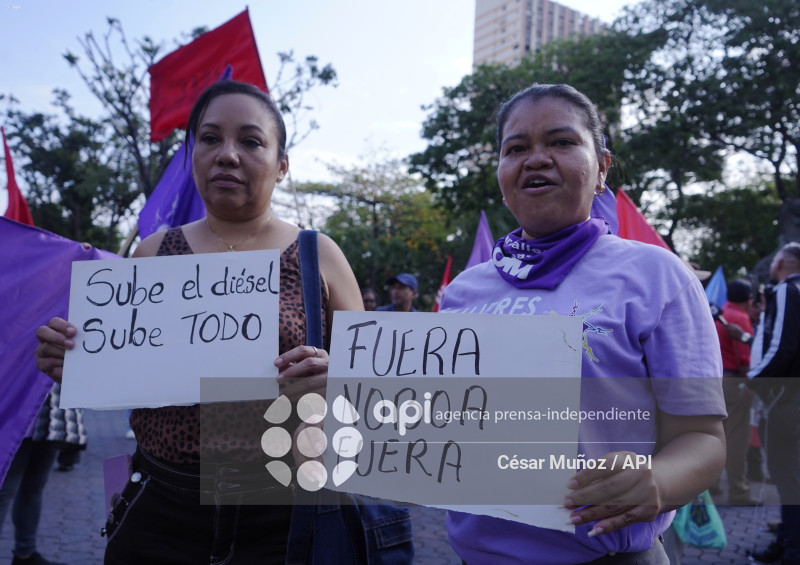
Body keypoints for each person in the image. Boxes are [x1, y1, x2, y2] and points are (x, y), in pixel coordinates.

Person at [34, 81, 411, 564]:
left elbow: (372, 386)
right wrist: (76, 359)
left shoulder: (320, 256)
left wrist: (334, 377)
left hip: (287, 513)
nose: (227, 154)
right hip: (162, 508)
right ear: (193, 153)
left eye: (251, 141)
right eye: (210, 138)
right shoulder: (153, 253)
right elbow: (131, 371)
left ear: (282, 164)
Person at [438, 84, 726, 564]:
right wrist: (352, 387)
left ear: (602, 168)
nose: (536, 159)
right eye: (517, 149)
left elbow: (703, 440)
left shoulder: (657, 275)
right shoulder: (465, 290)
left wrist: (657, 480)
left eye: (561, 142)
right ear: (501, 173)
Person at [748, 242, 800, 565]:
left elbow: (783, 344)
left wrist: (752, 379)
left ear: (781, 262)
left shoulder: (786, 290)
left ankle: (790, 551)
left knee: (788, 480)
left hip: (787, 402)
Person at [714, 279, 759, 505]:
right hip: (735, 382)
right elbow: (744, 360)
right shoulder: (741, 318)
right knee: (737, 439)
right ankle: (738, 491)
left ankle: (710, 485)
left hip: (714, 381)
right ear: (749, 299)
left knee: (715, 436)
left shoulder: (719, 315)